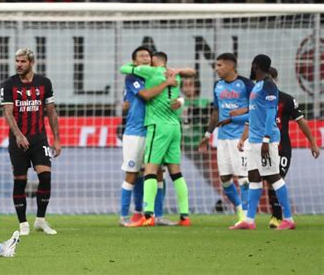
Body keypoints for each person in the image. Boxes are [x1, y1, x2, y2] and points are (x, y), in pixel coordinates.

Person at [120, 51, 194, 227]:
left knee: (153, 172)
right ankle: (127, 215)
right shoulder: (137, 76)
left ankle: (151, 215)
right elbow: (144, 94)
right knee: (136, 174)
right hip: (140, 131)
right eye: (142, 56)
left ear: (153, 60)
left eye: (148, 56)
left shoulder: (153, 73)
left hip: (156, 127)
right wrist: (174, 76)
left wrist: (181, 98)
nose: (146, 58)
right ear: (135, 61)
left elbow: (167, 95)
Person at [0, 48, 61, 236]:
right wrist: (18, 135)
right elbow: (8, 113)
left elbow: (51, 112)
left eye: (23, 61)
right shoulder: (8, 84)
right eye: (17, 61)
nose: (19, 64)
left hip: (39, 138)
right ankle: (23, 223)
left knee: (45, 176)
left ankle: (41, 220)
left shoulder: (44, 83)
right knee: (20, 180)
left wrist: (57, 139)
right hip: (17, 139)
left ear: (31, 62)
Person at [231, 54, 295, 230]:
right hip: (254, 139)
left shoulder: (268, 85)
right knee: (253, 177)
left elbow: (269, 114)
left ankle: (288, 218)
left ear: (255, 66)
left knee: (273, 176)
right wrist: (232, 120)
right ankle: (249, 220)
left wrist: (266, 140)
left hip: (265, 140)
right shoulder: (257, 86)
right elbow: (254, 114)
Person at [197, 53, 253, 226]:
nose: (217, 68)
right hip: (221, 138)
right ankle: (239, 211)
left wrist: (241, 111)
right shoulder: (217, 85)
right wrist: (207, 135)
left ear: (230, 66)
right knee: (225, 179)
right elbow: (216, 111)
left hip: (241, 137)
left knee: (243, 178)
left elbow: (256, 108)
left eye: (219, 65)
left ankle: (246, 217)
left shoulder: (246, 84)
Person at [266, 67, 320, 228]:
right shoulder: (258, 98)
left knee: (276, 179)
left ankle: (282, 217)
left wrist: (313, 142)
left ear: (275, 79)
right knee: (268, 181)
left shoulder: (286, 99)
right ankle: (276, 216)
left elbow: (301, 121)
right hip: (264, 146)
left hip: (282, 147)